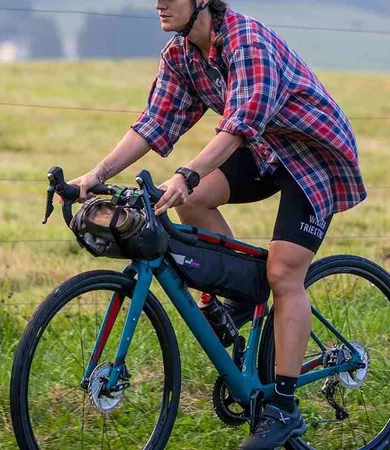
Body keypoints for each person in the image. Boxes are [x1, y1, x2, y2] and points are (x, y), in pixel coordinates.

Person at [69, 0, 367, 448]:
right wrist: (97, 174)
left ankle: (283, 410)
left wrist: (187, 173)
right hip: (264, 150)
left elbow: (239, 126)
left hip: (311, 157)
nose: (159, 3)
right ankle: (242, 293)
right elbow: (154, 123)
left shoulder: (246, 42)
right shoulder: (180, 54)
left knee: (285, 272)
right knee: (192, 204)